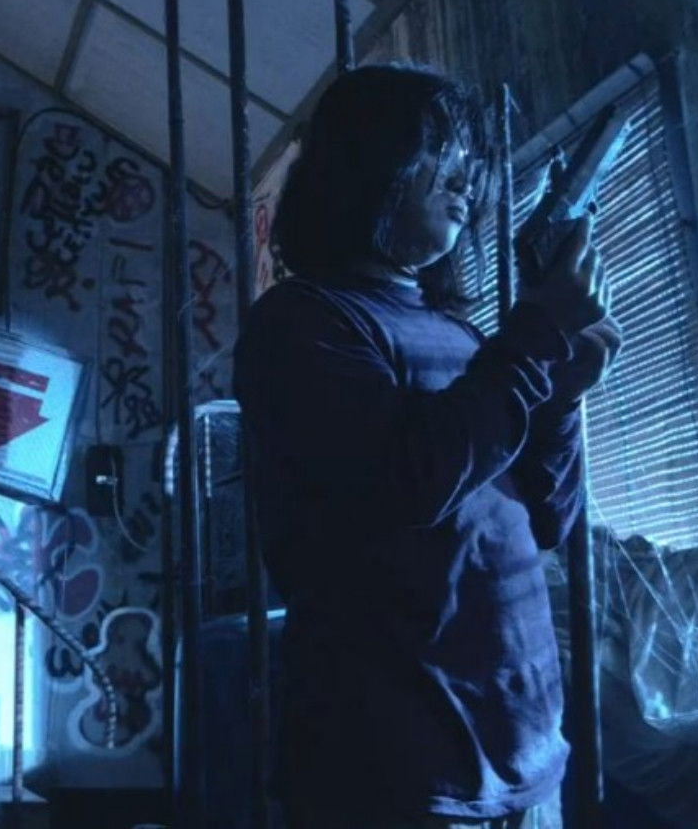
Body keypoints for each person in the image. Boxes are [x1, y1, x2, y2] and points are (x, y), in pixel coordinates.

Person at [233, 64, 622, 829]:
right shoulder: (301, 322)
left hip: (526, 763)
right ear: (368, 163)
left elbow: (547, 520)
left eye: (468, 157)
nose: (466, 177)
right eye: (440, 150)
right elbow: (404, 486)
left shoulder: (462, 335)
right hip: (396, 779)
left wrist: (561, 398)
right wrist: (534, 337)